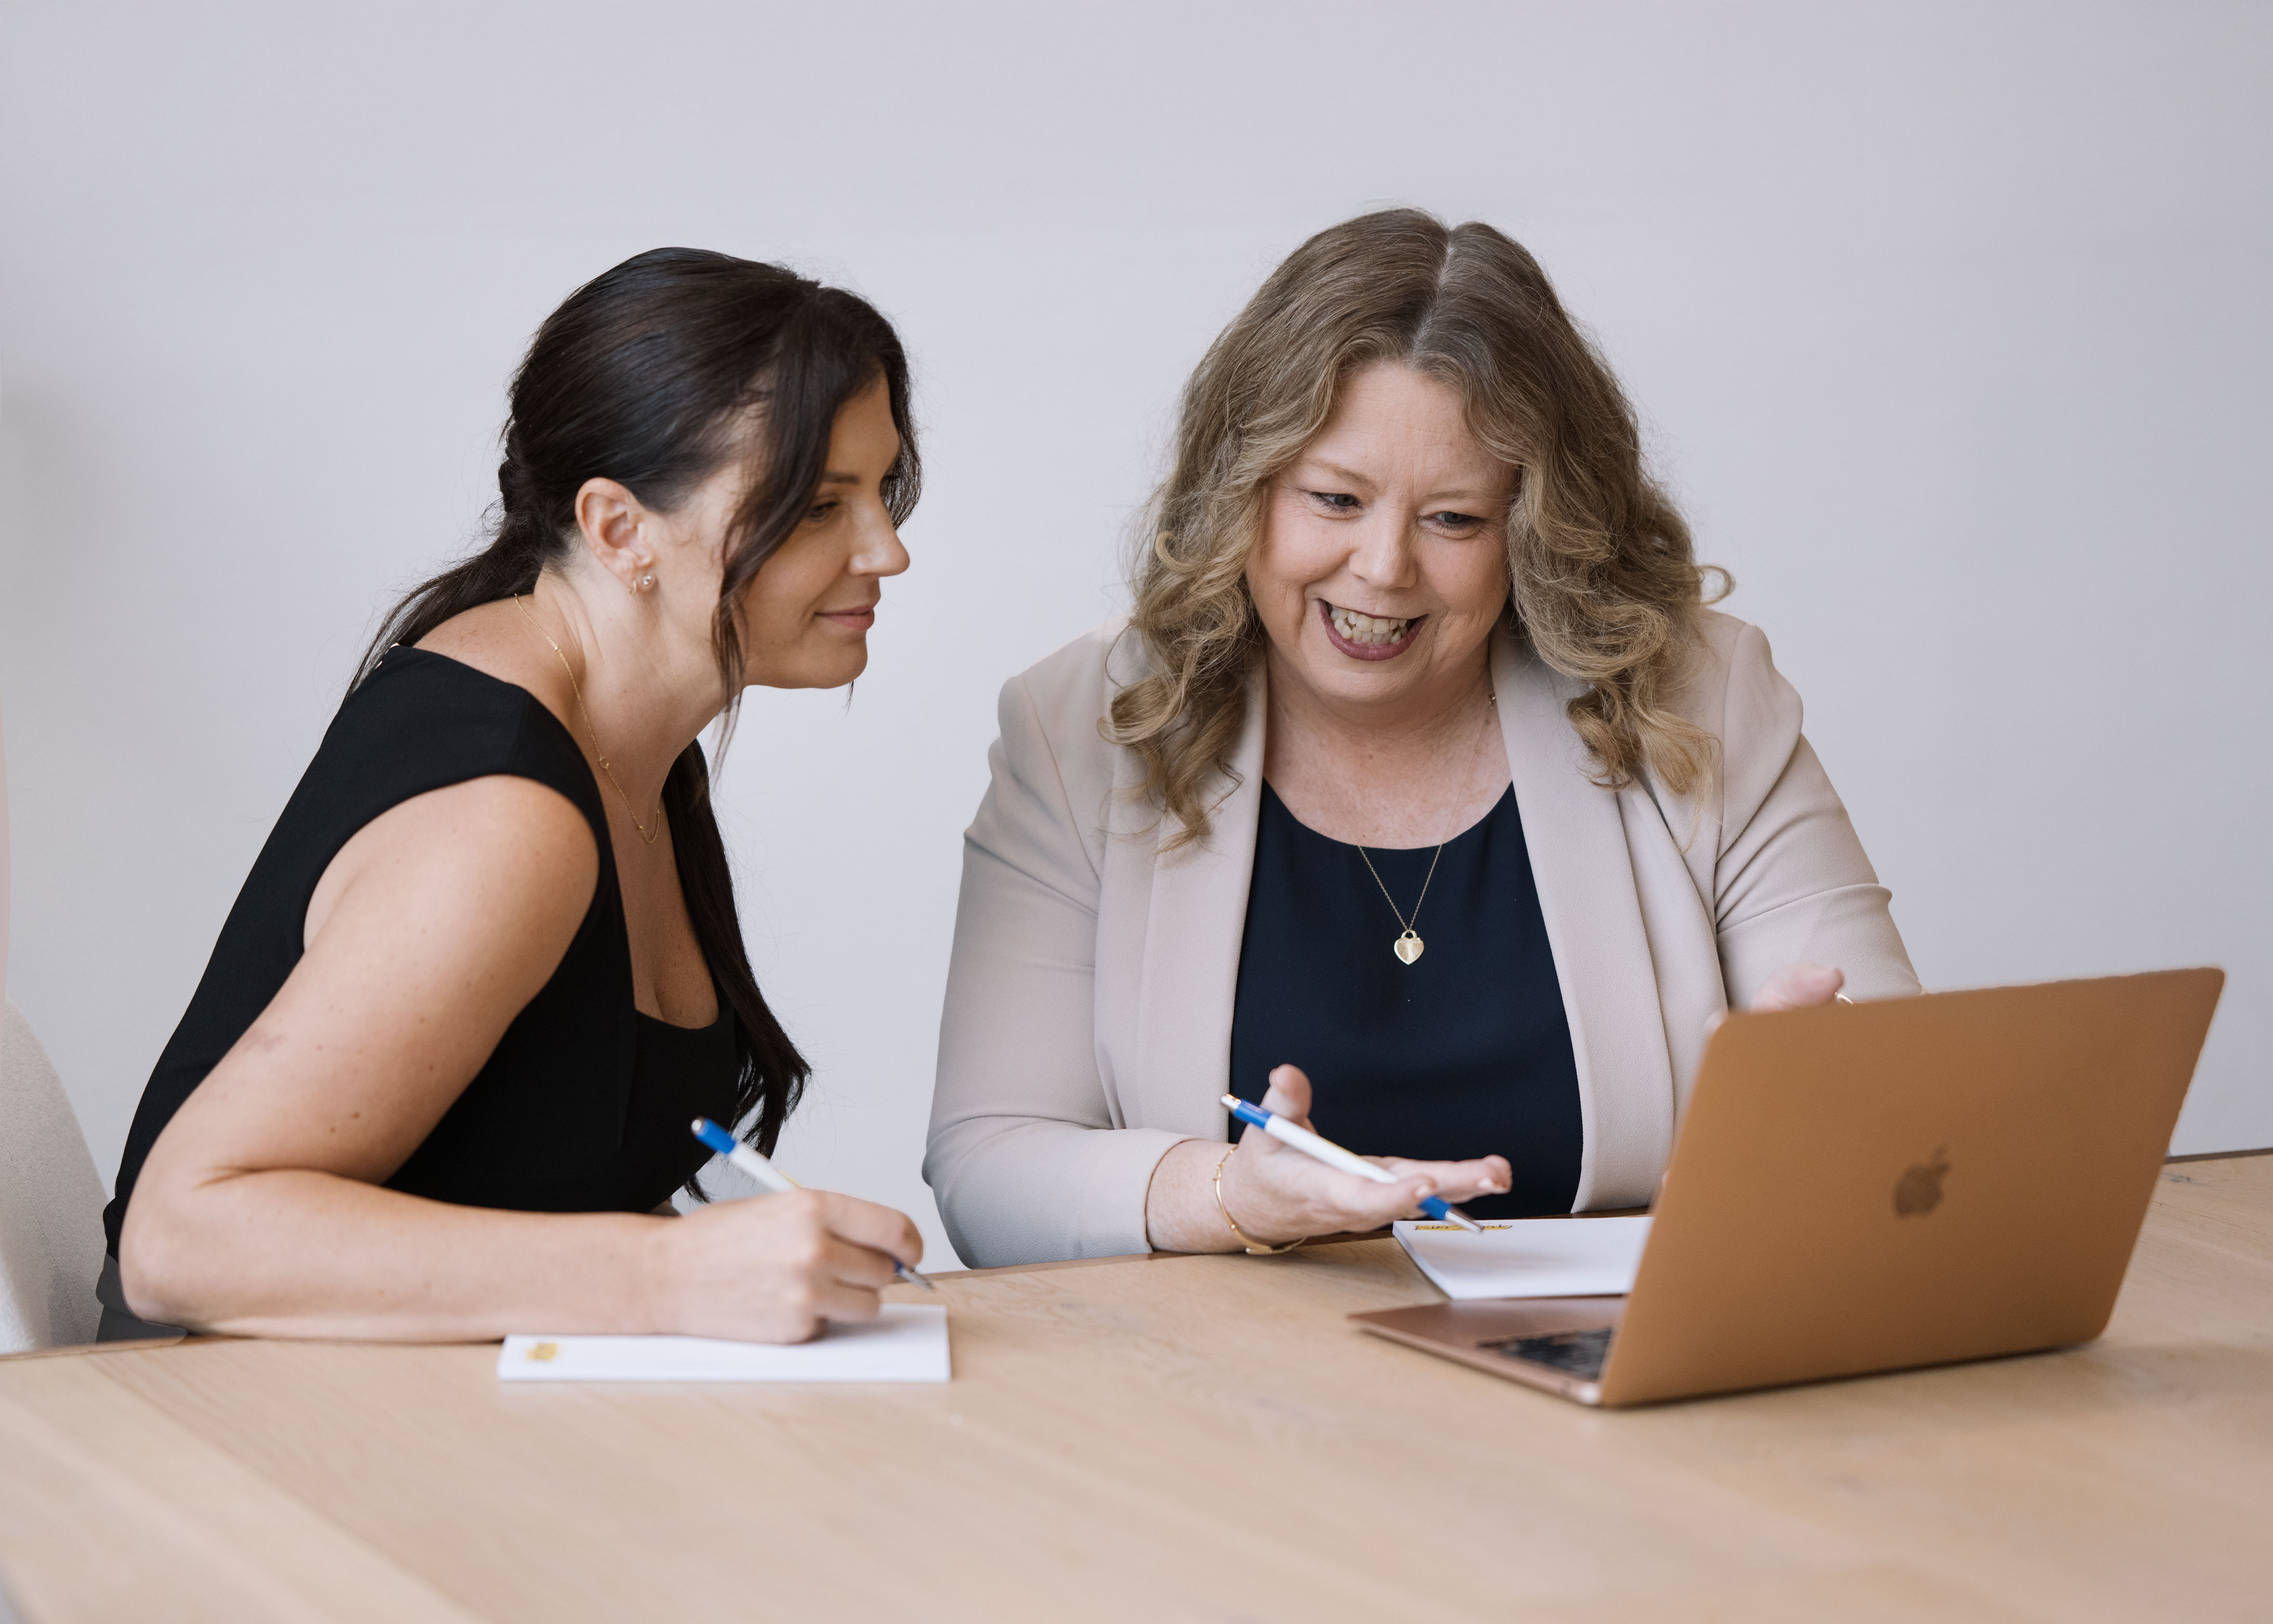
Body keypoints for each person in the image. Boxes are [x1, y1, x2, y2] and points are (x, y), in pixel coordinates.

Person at [926, 210, 1920, 1268]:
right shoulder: (1081, 723)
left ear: (1536, 531)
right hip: (1231, 1394)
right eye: (1334, 499)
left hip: (1611, 1371)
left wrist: (1809, 1119)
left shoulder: (1701, 695)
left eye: (1453, 519)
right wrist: (1224, 1194)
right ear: (1241, 495)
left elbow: (1894, 1090)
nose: (1384, 567)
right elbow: (990, 1165)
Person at [102, 248, 927, 1342]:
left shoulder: (629, 735)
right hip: (250, 1445)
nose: (889, 550)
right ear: (619, 529)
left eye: (882, 490)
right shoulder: (505, 815)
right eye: (819, 506)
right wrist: (667, 1274)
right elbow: (179, 1240)